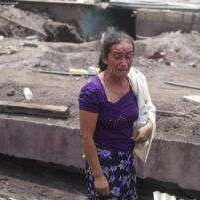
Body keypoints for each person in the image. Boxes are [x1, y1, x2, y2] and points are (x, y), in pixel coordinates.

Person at [79, 30, 155, 200]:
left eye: (129, 56)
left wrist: (148, 127)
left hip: (126, 162)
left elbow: (147, 109)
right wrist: (98, 176)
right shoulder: (92, 92)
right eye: (117, 56)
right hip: (103, 166)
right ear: (106, 58)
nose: (124, 63)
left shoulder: (134, 82)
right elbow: (86, 137)